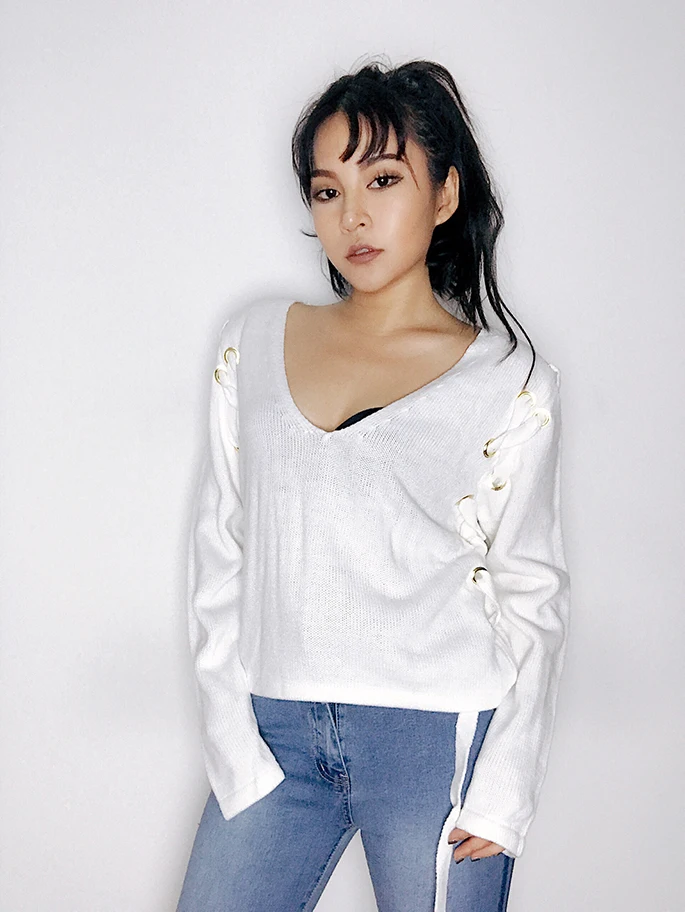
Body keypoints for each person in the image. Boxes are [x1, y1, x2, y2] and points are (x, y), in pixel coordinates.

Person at [176, 58, 571, 912]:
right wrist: (232, 744)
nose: (351, 216)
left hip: (438, 746)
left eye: (383, 180)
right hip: (277, 737)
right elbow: (221, 549)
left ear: (444, 194)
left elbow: (531, 591)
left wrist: (504, 792)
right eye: (327, 191)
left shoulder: (509, 381)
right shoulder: (254, 343)